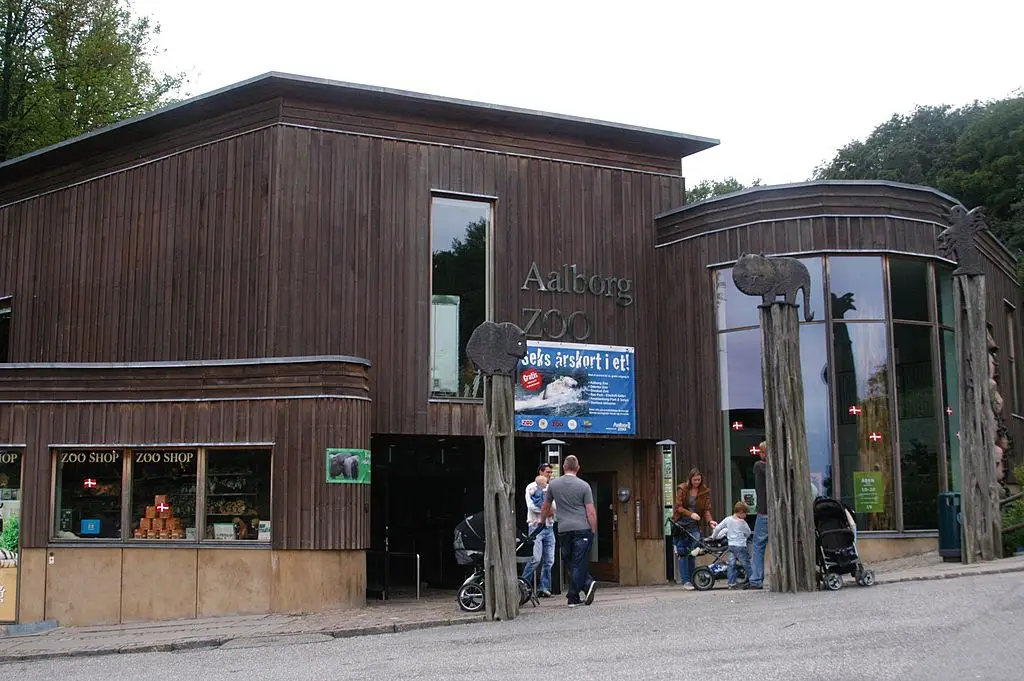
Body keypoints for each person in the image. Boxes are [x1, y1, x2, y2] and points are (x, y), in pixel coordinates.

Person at [539, 454, 597, 608]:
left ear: (564, 467)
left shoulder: (553, 485)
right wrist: (593, 530)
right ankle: (577, 592)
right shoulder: (584, 486)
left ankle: (582, 589)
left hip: (563, 529)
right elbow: (590, 511)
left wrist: (541, 521)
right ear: (578, 468)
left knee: (570, 562)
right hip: (582, 528)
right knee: (579, 562)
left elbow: (546, 506)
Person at [671, 467, 716, 590]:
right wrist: (690, 514)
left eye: (699, 480)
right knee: (682, 552)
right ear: (690, 479)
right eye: (694, 480)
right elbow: (678, 507)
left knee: (694, 550)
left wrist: (709, 521)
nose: (697, 482)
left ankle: (692, 579)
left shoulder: (704, 491)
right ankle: (685, 581)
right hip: (680, 523)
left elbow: (706, 509)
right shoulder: (682, 489)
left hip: (694, 524)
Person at [521, 465, 555, 597]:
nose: (550, 475)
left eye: (551, 472)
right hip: (536, 526)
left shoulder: (551, 487)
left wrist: (548, 511)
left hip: (549, 526)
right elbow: (531, 506)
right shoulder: (531, 487)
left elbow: (555, 506)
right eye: (547, 472)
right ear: (540, 472)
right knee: (535, 559)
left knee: (549, 560)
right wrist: (546, 512)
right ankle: (523, 584)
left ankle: (544, 587)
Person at [712, 501, 753, 589]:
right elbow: (748, 533)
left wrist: (713, 537)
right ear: (741, 512)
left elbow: (718, 528)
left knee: (731, 564)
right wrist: (745, 536)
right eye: (745, 514)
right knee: (746, 563)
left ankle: (731, 583)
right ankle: (753, 581)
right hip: (741, 546)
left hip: (731, 546)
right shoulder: (742, 522)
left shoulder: (727, 519)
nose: (745, 516)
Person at [749, 441, 769, 590]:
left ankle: (756, 578)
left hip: (764, 513)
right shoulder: (782, 467)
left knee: (758, 545)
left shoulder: (759, 466)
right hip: (779, 513)